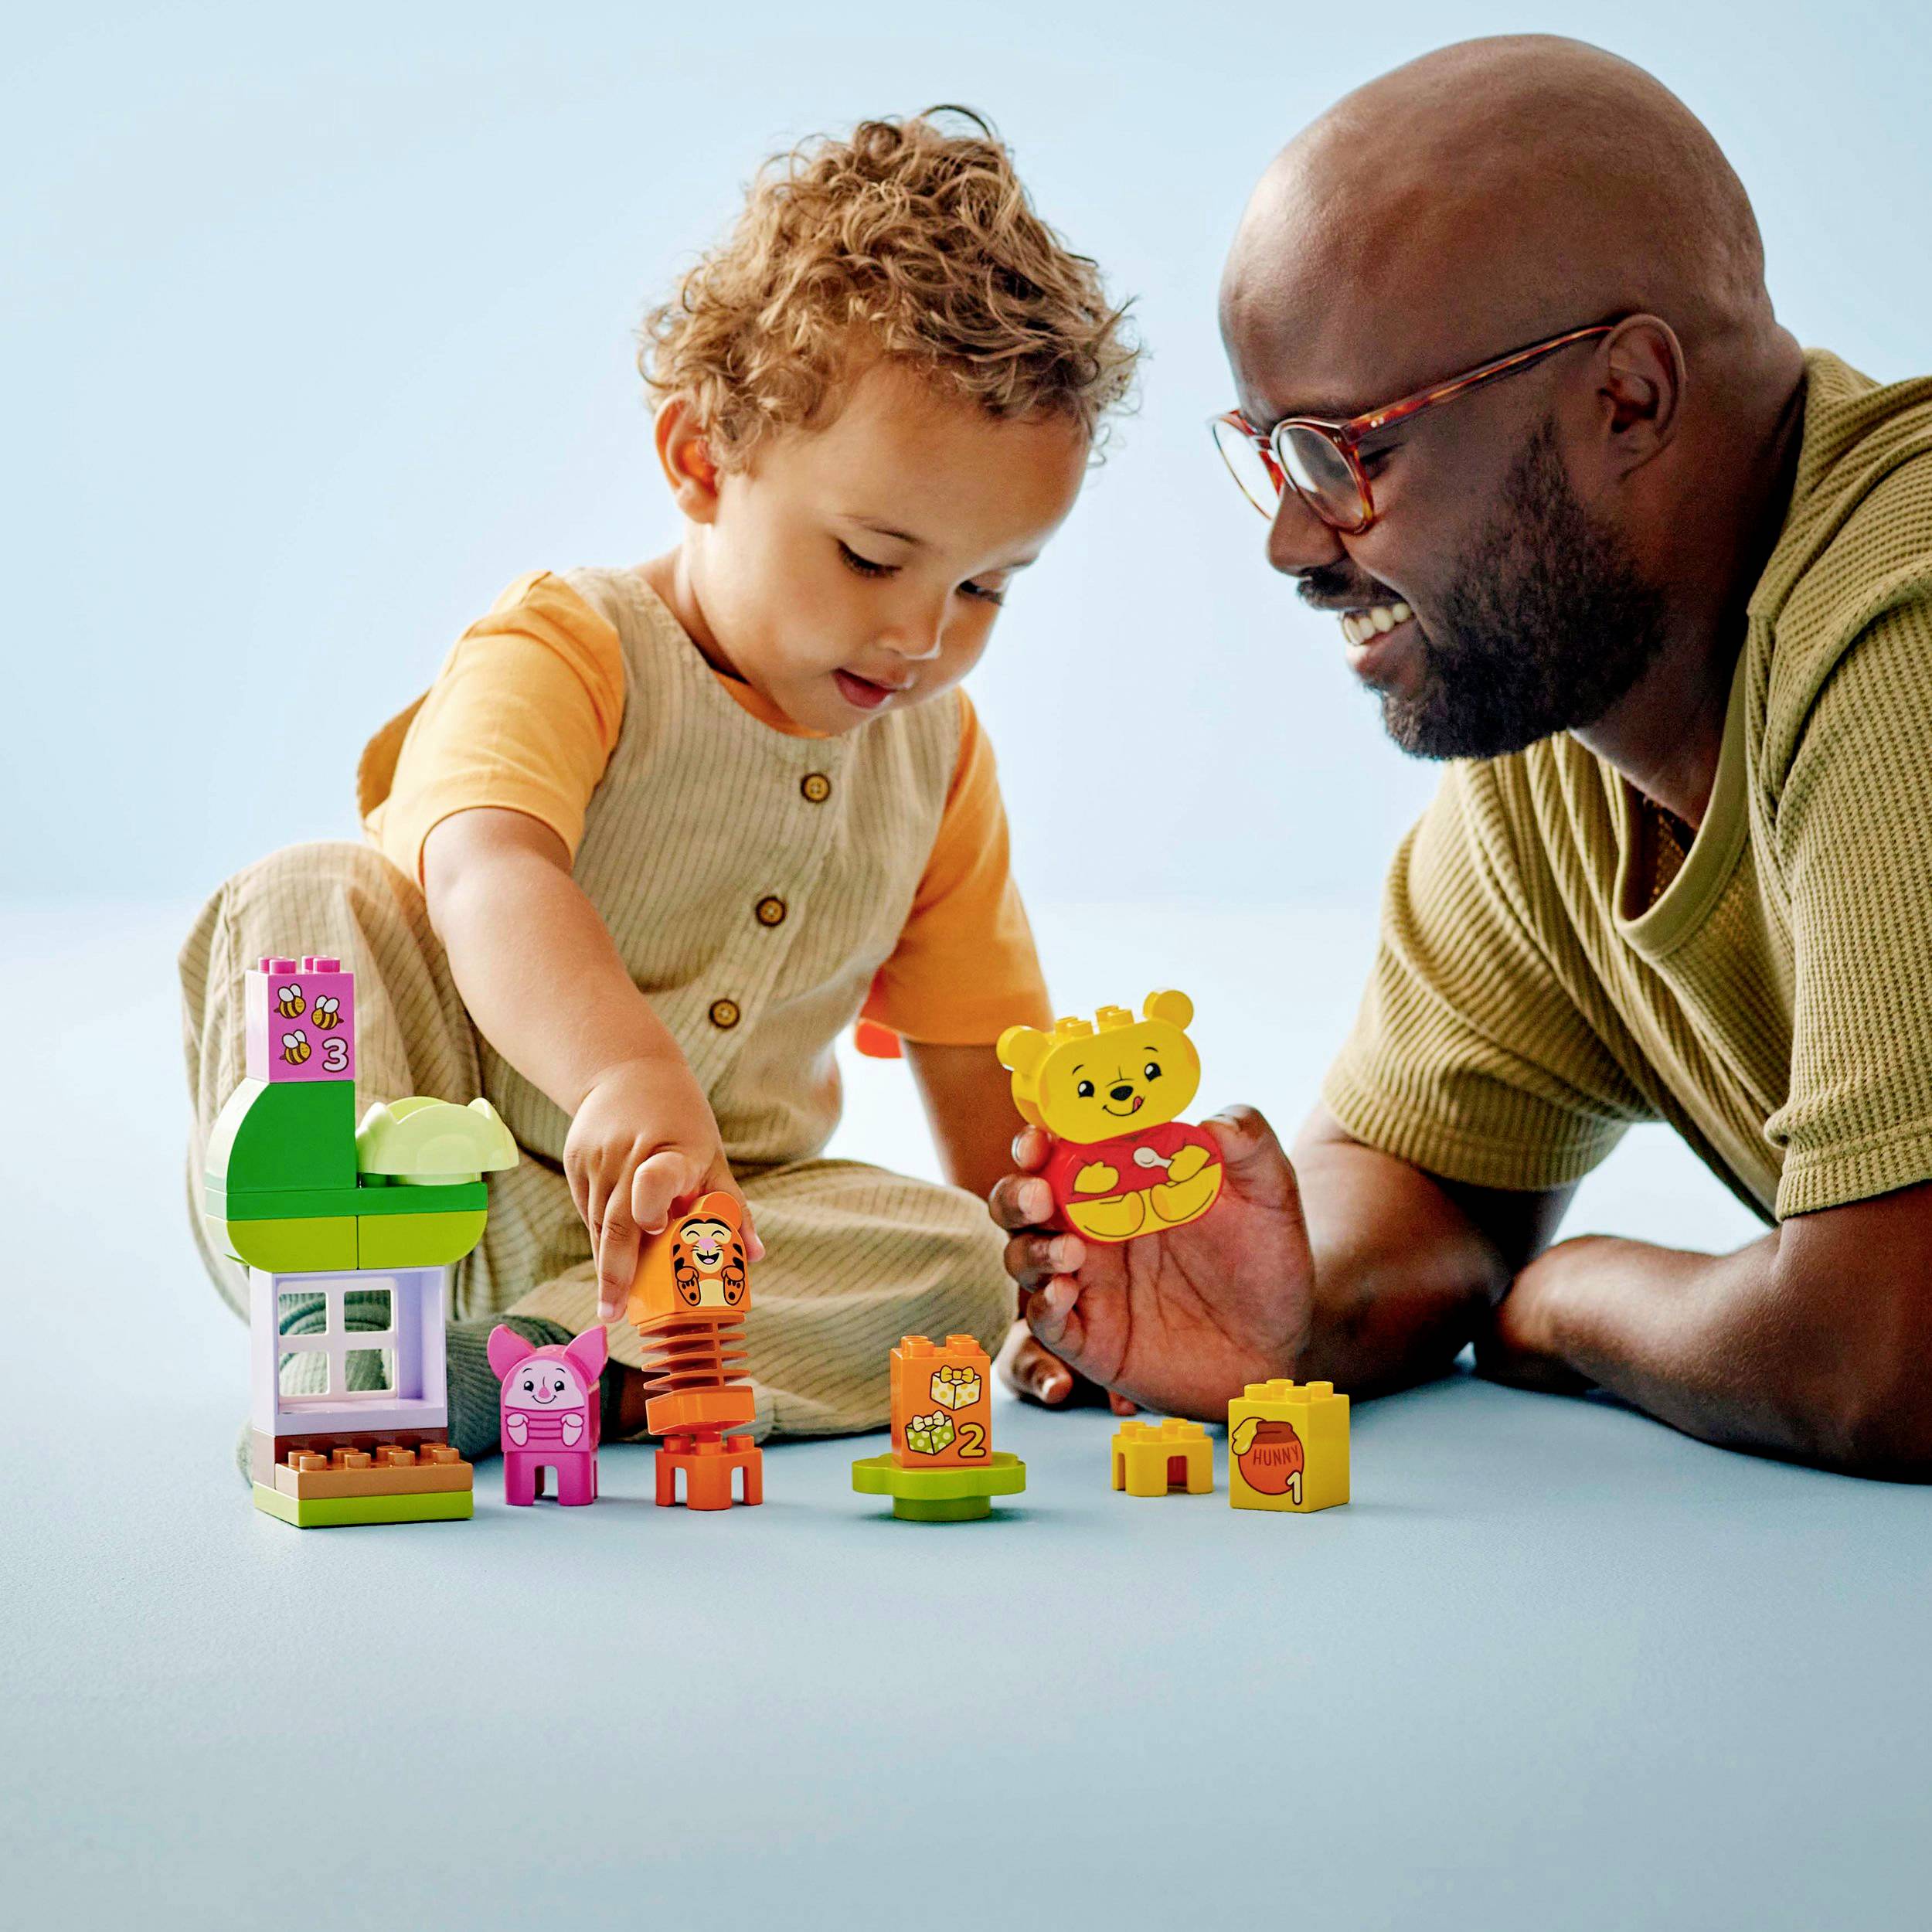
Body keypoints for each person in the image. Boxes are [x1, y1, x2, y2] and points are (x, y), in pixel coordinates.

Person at [995, 36, 1932, 1476]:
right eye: (1274, 453)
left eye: (1346, 453)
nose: (1295, 543)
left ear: (1627, 399)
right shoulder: (1564, 724)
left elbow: (1895, 1354)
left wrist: (1577, 1301)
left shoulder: (1903, 623)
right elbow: (1429, 1176)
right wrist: (1285, 1316)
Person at [181, 108, 1136, 1454]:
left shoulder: (936, 752)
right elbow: (485, 868)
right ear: (703, 460)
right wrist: (628, 1075)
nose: (923, 636)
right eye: (873, 558)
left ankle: (553, 1372)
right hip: (423, 1184)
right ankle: (351, 1311)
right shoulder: (572, 647)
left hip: (710, 1243)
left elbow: (983, 1055)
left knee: (960, 1264)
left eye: (986, 585)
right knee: (306, 904)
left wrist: (1072, 1276)